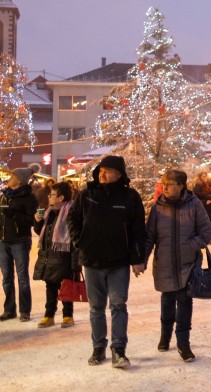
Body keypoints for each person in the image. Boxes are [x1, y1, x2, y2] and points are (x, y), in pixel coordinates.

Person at [68, 155, 145, 369]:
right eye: (101, 170)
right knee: (96, 308)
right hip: (92, 260)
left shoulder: (130, 197)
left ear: (119, 174)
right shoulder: (87, 195)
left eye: (109, 170)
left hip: (119, 261)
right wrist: (79, 240)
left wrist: (138, 259)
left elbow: (138, 231)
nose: (103, 174)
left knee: (118, 305)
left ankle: (118, 349)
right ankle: (98, 347)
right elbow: (72, 219)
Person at [134, 169, 210, 362]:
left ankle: (183, 343)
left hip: (188, 264)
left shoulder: (195, 205)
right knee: (167, 300)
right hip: (165, 262)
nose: (165, 187)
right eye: (164, 184)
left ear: (181, 186)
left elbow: (206, 232)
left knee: (185, 302)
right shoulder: (158, 207)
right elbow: (149, 236)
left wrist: (190, 246)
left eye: (169, 184)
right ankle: (165, 335)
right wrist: (142, 260)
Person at [33, 181, 78, 328]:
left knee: (66, 286)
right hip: (48, 255)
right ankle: (49, 315)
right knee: (50, 285)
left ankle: (67, 315)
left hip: (64, 256)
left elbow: (75, 237)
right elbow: (42, 233)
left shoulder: (72, 211)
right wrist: (38, 222)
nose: (49, 197)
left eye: (52, 195)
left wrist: (75, 262)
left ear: (61, 197)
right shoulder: (49, 211)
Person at [0, 166, 38, 321]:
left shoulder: (29, 198)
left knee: (22, 276)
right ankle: (9, 310)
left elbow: (31, 221)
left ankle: (25, 311)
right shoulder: (4, 195)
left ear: (20, 180)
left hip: (19, 241)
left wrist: (13, 214)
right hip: (2, 241)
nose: (10, 178)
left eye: (12, 176)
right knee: (6, 278)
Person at [192, 172, 211, 251]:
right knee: (205, 227)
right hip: (205, 210)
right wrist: (206, 202)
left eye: (206, 176)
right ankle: (202, 243)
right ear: (200, 177)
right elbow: (195, 200)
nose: (205, 177)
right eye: (203, 176)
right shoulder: (197, 187)